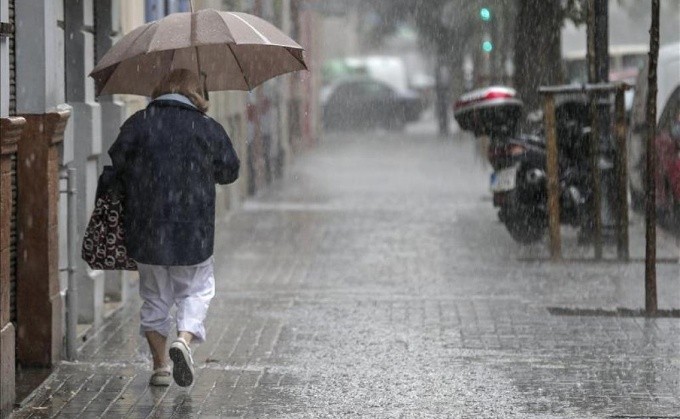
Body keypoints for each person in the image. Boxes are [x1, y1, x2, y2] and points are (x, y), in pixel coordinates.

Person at [108, 69, 240, 387]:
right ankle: (183, 339)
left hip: (146, 227)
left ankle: (159, 367)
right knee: (196, 290)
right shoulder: (207, 128)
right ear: (195, 93)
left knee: (154, 296)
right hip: (192, 229)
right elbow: (229, 171)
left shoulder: (138, 124)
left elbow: (117, 165)